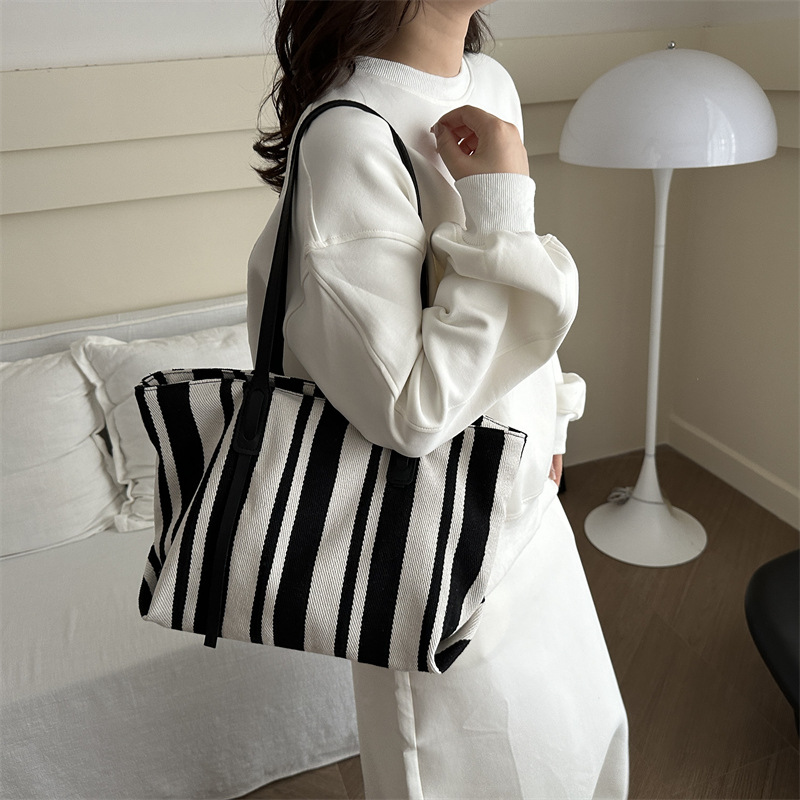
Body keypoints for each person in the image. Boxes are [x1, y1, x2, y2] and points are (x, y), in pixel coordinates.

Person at [247, 1, 629, 797]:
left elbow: (515, 309)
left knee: (586, 751)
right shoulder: (348, 137)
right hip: (432, 549)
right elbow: (410, 409)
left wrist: (553, 420)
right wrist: (501, 205)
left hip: (527, 506)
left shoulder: (490, 83)